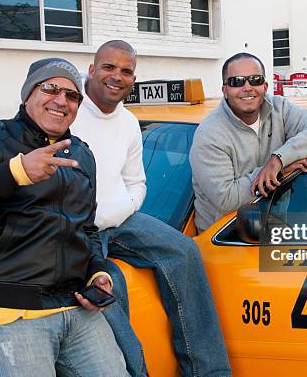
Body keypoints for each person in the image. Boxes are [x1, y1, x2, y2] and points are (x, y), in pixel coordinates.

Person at [0, 58, 129, 377]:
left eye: (72, 95)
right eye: (50, 88)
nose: (61, 100)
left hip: (76, 309)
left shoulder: (80, 154)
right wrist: (14, 172)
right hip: (10, 315)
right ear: (27, 94)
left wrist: (97, 272)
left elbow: (86, 229)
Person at [71, 40, 231, 377]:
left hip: (120, 219)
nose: (117, 76)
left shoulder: (129, 122)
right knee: (110, 292)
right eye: (108, 67)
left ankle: (209, 372)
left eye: (126, 71)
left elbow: (137, 183)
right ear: (91, 69)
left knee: (185, 250)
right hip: (73, 226)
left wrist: (117, 211)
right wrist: (93, 219)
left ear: (133, 78)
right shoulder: (68, 112)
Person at [190, 52, 307, 232]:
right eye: (237, 81)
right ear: (225, 90)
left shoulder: (280, 108)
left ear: (265, 86)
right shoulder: (209, 134)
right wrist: (281, 172)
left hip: (279, 229)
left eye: (255, 79)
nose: (247, 87)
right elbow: (226, 199)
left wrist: (278, 160)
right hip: (225, 241)